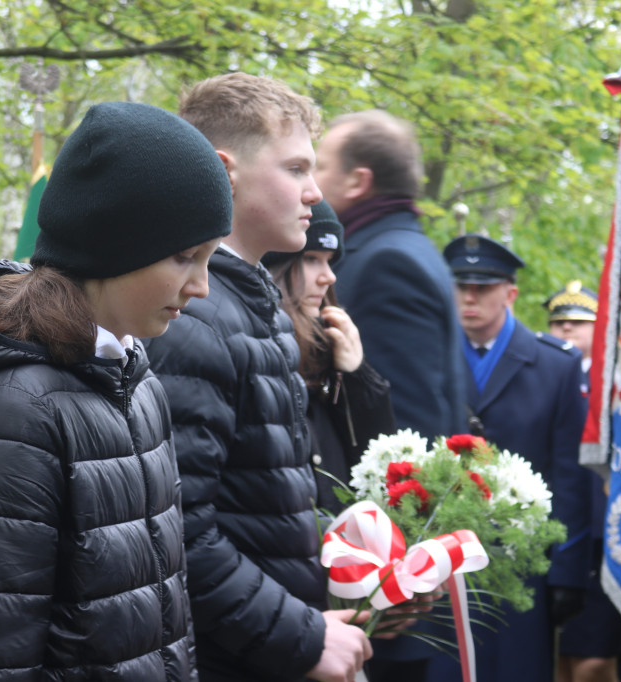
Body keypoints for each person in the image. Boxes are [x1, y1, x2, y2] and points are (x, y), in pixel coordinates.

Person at [0, 101, 233, 680]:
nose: (201, 286)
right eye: (185, 257)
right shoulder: (4, 418)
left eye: (207, 259)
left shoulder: (133, 378)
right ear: (115, 242)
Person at [144, 72, 373, 682]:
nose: (314, 193)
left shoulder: (251, 302)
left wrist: (370, 570)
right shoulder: (194, 317)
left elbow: (264, 503)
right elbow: (178, 534)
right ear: (226, 172)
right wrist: (303, 640)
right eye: (297, 169)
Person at [312, 108, 467, 680]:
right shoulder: (405, 248)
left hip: (384, 592)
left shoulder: (385, 262)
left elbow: (405, 433)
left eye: (320, 165)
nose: (310, 183)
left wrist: (390, 581)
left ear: (359, 181)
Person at [425, 234, 592, 682]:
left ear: (511, 293)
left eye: (484, 286)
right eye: (460, 286)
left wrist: (568, 574)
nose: (470, 297)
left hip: (523, 564)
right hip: (441, 564)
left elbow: (570, 477)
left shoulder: (555, 364)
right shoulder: (427, 357)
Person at [262, 200, 395, 516]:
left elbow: (381, 473)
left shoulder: (328, 352)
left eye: (329, 261)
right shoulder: (257, 350)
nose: (329, 277)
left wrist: (356, 377)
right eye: (310, 259)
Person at [546, 281, 621, 682]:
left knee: (593, 660)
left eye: (578, 323)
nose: (566, 330)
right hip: (554, 531)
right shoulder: (543, 373)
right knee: (559, 661)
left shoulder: (616, 380)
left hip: (603, 533)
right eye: (558, 322)